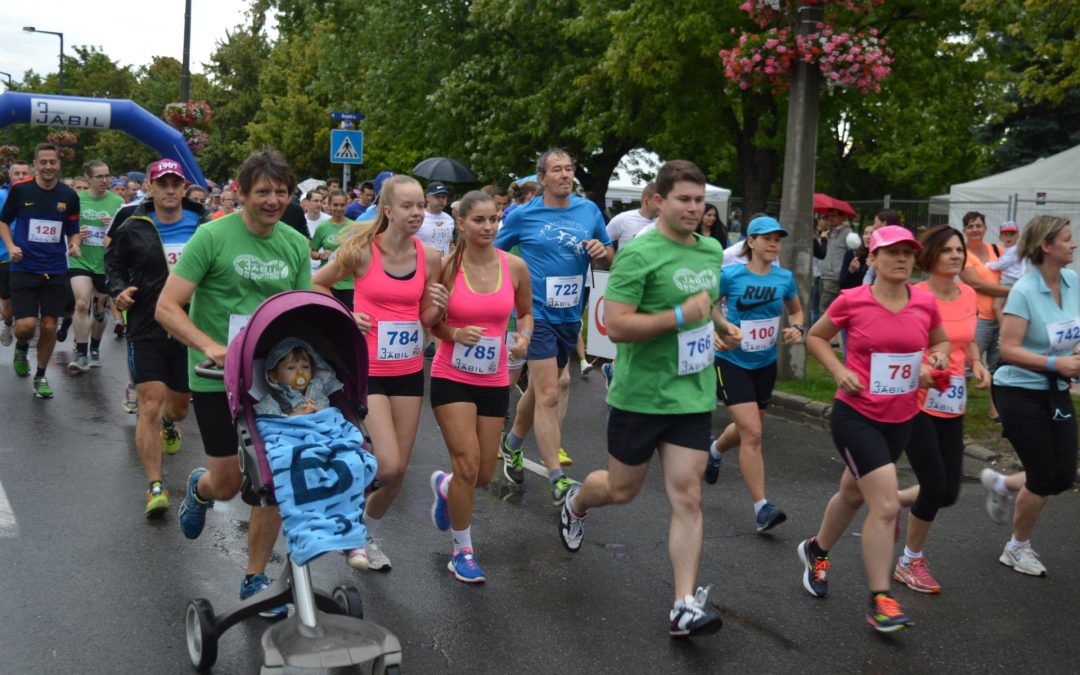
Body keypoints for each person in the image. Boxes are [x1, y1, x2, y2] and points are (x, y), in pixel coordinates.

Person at [557, 160, 740, 637]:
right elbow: (615, 325)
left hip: (693, 393)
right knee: (622, 489)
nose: (694, 208)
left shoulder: (711, 251)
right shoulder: (639, 254)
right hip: (640, 395)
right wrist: (682, 316)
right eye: (684, 199)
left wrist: (720, 328)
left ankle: (684, 604)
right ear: (659, 200)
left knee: (688, 494)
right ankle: (577, 502)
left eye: (700, 201)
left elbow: (707, 302)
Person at [156, 148, 311, 617]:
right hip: (212, 378)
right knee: (228, 484)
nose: (273, 200)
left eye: (281, 192)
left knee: (272, 479)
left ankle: (254, 577)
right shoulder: (211, 236)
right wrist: (210, 347)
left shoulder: (295, 243)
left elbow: (299, 311)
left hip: (270, 379)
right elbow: (166, 307)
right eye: (262, 192)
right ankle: (201, 489)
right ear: (241, 193)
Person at [799, 225, 949, 633]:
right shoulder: (853, 300)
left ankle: (816, 549)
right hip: (856, 416)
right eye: (891, 252)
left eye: (907, 252)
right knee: (883, 506)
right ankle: (880, 599)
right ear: (873, 258)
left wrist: (934, 362)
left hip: (901, 418)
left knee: (851, 494)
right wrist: (838, 370)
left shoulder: (924, 302)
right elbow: (815, 336)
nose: (901, 258)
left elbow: (941, 343)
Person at [313, 174, 448, 571]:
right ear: (387, 210)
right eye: (408, 206)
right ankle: (347, 523)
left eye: (421, 205)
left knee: (399, 471)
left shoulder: (430, 257)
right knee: (386, 463)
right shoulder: (361, 251)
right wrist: (345, 313)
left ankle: (364, 535)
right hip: (367, 368)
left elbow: (426, 317)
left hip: (408, 370)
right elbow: (317, 284)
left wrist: (438, 307)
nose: (418, 212)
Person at [426, 191, 533, 583]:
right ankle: (462, 550)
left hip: (495, 377)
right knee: (467, 464)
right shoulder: (446, 267)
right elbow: (431, 322)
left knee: (483, 474)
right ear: (461, 222)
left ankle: (445, 488)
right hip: (451, 375)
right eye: (480, 220)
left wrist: (522, 336)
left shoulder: (516, 267)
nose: (488, 227)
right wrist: (454, 332)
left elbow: (525, 314)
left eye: (494, 219)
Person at [495, 148, 613, 501]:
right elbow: (494, 253)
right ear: (542, 178)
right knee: (550, 391)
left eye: (569, 169)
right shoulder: (523, 216)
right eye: (557, 170)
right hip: (536, 315)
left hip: (569, 316)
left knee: (538, 390)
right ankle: (557, 477)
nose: (565, 174)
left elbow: (609, 254)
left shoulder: (589, 210)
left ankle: (512, 442)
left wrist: (600, 251)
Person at [106, 158, 209, 517]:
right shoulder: (133, 225)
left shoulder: (203, 224)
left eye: (174, 184)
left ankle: (170, 424)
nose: (168, 190)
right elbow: (113, 265)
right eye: (161, 184)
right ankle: (155, 484)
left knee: (178, 407)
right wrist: (118, 290)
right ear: (149, 188)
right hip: (146, 325)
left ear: (183, 188)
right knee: (149, 402)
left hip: (191, 327)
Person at [979, 215, 1078, 578]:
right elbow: (1008, 348)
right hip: (1017, 390)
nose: (1074, 244)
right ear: (1045, 247)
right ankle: (1017, 547)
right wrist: (1058, 363)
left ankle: (1003, 484)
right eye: (1067, 239)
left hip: (1054, 389)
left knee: (1063, 476)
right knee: (1041, 475)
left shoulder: (1073, 281)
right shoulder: (1022, 290)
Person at [892, 225, 990, 593]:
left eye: (959, 250)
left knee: (949, 492)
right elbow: (898, 342)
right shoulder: (913, 295)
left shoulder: (968, 294)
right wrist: (921, 365)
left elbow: (968, 343)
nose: (956, 255)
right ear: (930, 256)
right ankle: (909, 562)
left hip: (952, 399)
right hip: (915, 400)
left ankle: (892, 503)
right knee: (934, 485)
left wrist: (978, 363)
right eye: (947, 249)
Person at [703, 216, 804, 532]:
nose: (773, 244)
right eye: (767, 238)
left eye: (777, 239)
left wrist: (797, 328)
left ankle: (715, 450)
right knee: (753, 433)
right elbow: (704, 303)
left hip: (765, 363)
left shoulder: (784, 278)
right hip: (731, 362)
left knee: (750, 427)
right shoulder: (730, 275)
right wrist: (718, 328)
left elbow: (797, 311)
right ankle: (762, 508)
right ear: (751, 241)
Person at [0, 143, 82, 398]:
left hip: (55, 269)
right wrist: (11, 245)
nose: (48, 166)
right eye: (43, 162)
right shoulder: (20, 190)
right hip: (24, 267)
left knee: (48, 326)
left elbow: (73, 229)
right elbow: (3, 221)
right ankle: (22, 346)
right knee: (25, 325)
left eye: (52, 162)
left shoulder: (69, 195)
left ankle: (41, 375)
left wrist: (75, 244)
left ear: (59, 164)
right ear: (35, 164)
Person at [67, 160, 125, 371]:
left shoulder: (118, 201)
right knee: (82, 303)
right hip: (80, 259)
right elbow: (66, 225)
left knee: (99, 312)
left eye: (107, 175)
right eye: (99, 176)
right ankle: (81, 354)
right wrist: (75, 236)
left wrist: (114, 228)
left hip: (106, 263)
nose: (105, 180)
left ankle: (94, 348)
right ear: (89, 179)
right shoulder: (76, 199)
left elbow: (126, 233)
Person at [958, 211, 1009, 422]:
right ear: (965, 230)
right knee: (969, 363)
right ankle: (957, 404)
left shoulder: (998, 250)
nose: (975, 230)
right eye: (970, 226)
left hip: (1002, 315)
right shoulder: (962, 254)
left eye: (979, 225)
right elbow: (975, 283)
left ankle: (994, 409)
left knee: (998, 364)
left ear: (986, 228)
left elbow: (1012, 272)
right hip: (977, 317)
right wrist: (1010, 291)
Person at [0, 160, 33, 347]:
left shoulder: (36, 194)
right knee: (7, 306)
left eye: (24, 173)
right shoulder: (1, 195)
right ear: (10, 176)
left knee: (26, 301)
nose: (20, 177)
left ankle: (24, 338)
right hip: (5, 256)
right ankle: (7, 322)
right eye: (17, 174)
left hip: (30, 257)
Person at [254, 342, 334, 418]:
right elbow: (269, 425)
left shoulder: (320, 397)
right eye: (291, 368)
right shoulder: (270, 402)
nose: (300, 372)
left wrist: (319, 414)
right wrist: (295, 416)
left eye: (305, 367)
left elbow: (331, 420)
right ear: (274, 377)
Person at [310, 191, 356, 309]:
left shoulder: (354, 227)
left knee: (348, 318)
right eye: (335, 205)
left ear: (346, 205)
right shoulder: (322, 227)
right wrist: (320, 255)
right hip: (327, 282)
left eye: (342, 205)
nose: (339, 208)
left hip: (348, 283)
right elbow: (312, 252)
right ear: (329, 205)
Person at [986, 220, 1026, 324]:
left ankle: (1005, 331)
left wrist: (988, 265)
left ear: (1018, 236)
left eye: (1012, 234)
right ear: (1001, 237)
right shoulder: (1013, 250)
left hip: (1008, 282)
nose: (1008, 237)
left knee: (996, 307)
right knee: (1010, 309)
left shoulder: (1013, 250)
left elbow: (1002, 264)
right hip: (1015, 281)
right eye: (1005, 234)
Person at [605, 182, 658, 250]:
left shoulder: (665, 222)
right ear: (647, 201)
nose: (663, 205)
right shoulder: (623, 219)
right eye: (658, 201)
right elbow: (603, 241)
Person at [818, 210, 852, 312]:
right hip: (823, 275)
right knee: (823, 308)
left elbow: (852, 253)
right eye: (829, 216)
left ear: (842, 217)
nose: (831, 218)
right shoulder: (828, 232)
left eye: (834, 216)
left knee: (825, 311)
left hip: (834, 277)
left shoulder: (847, 233)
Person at [418, 182, 455, 256]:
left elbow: (450, 243)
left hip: (444, 264)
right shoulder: (419, 217)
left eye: (444, 197)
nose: (441, 200)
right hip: (423, 263)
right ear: (428, 197)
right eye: (437, 196)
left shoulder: (449, 219)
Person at [838, 223, 877, 290]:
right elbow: (842, 284)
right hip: (852, 296)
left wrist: (871, 268)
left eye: (872, 234)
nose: (868, 237)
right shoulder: (852, 254)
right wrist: (850, 271)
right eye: (865, 233)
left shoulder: (880, 257)